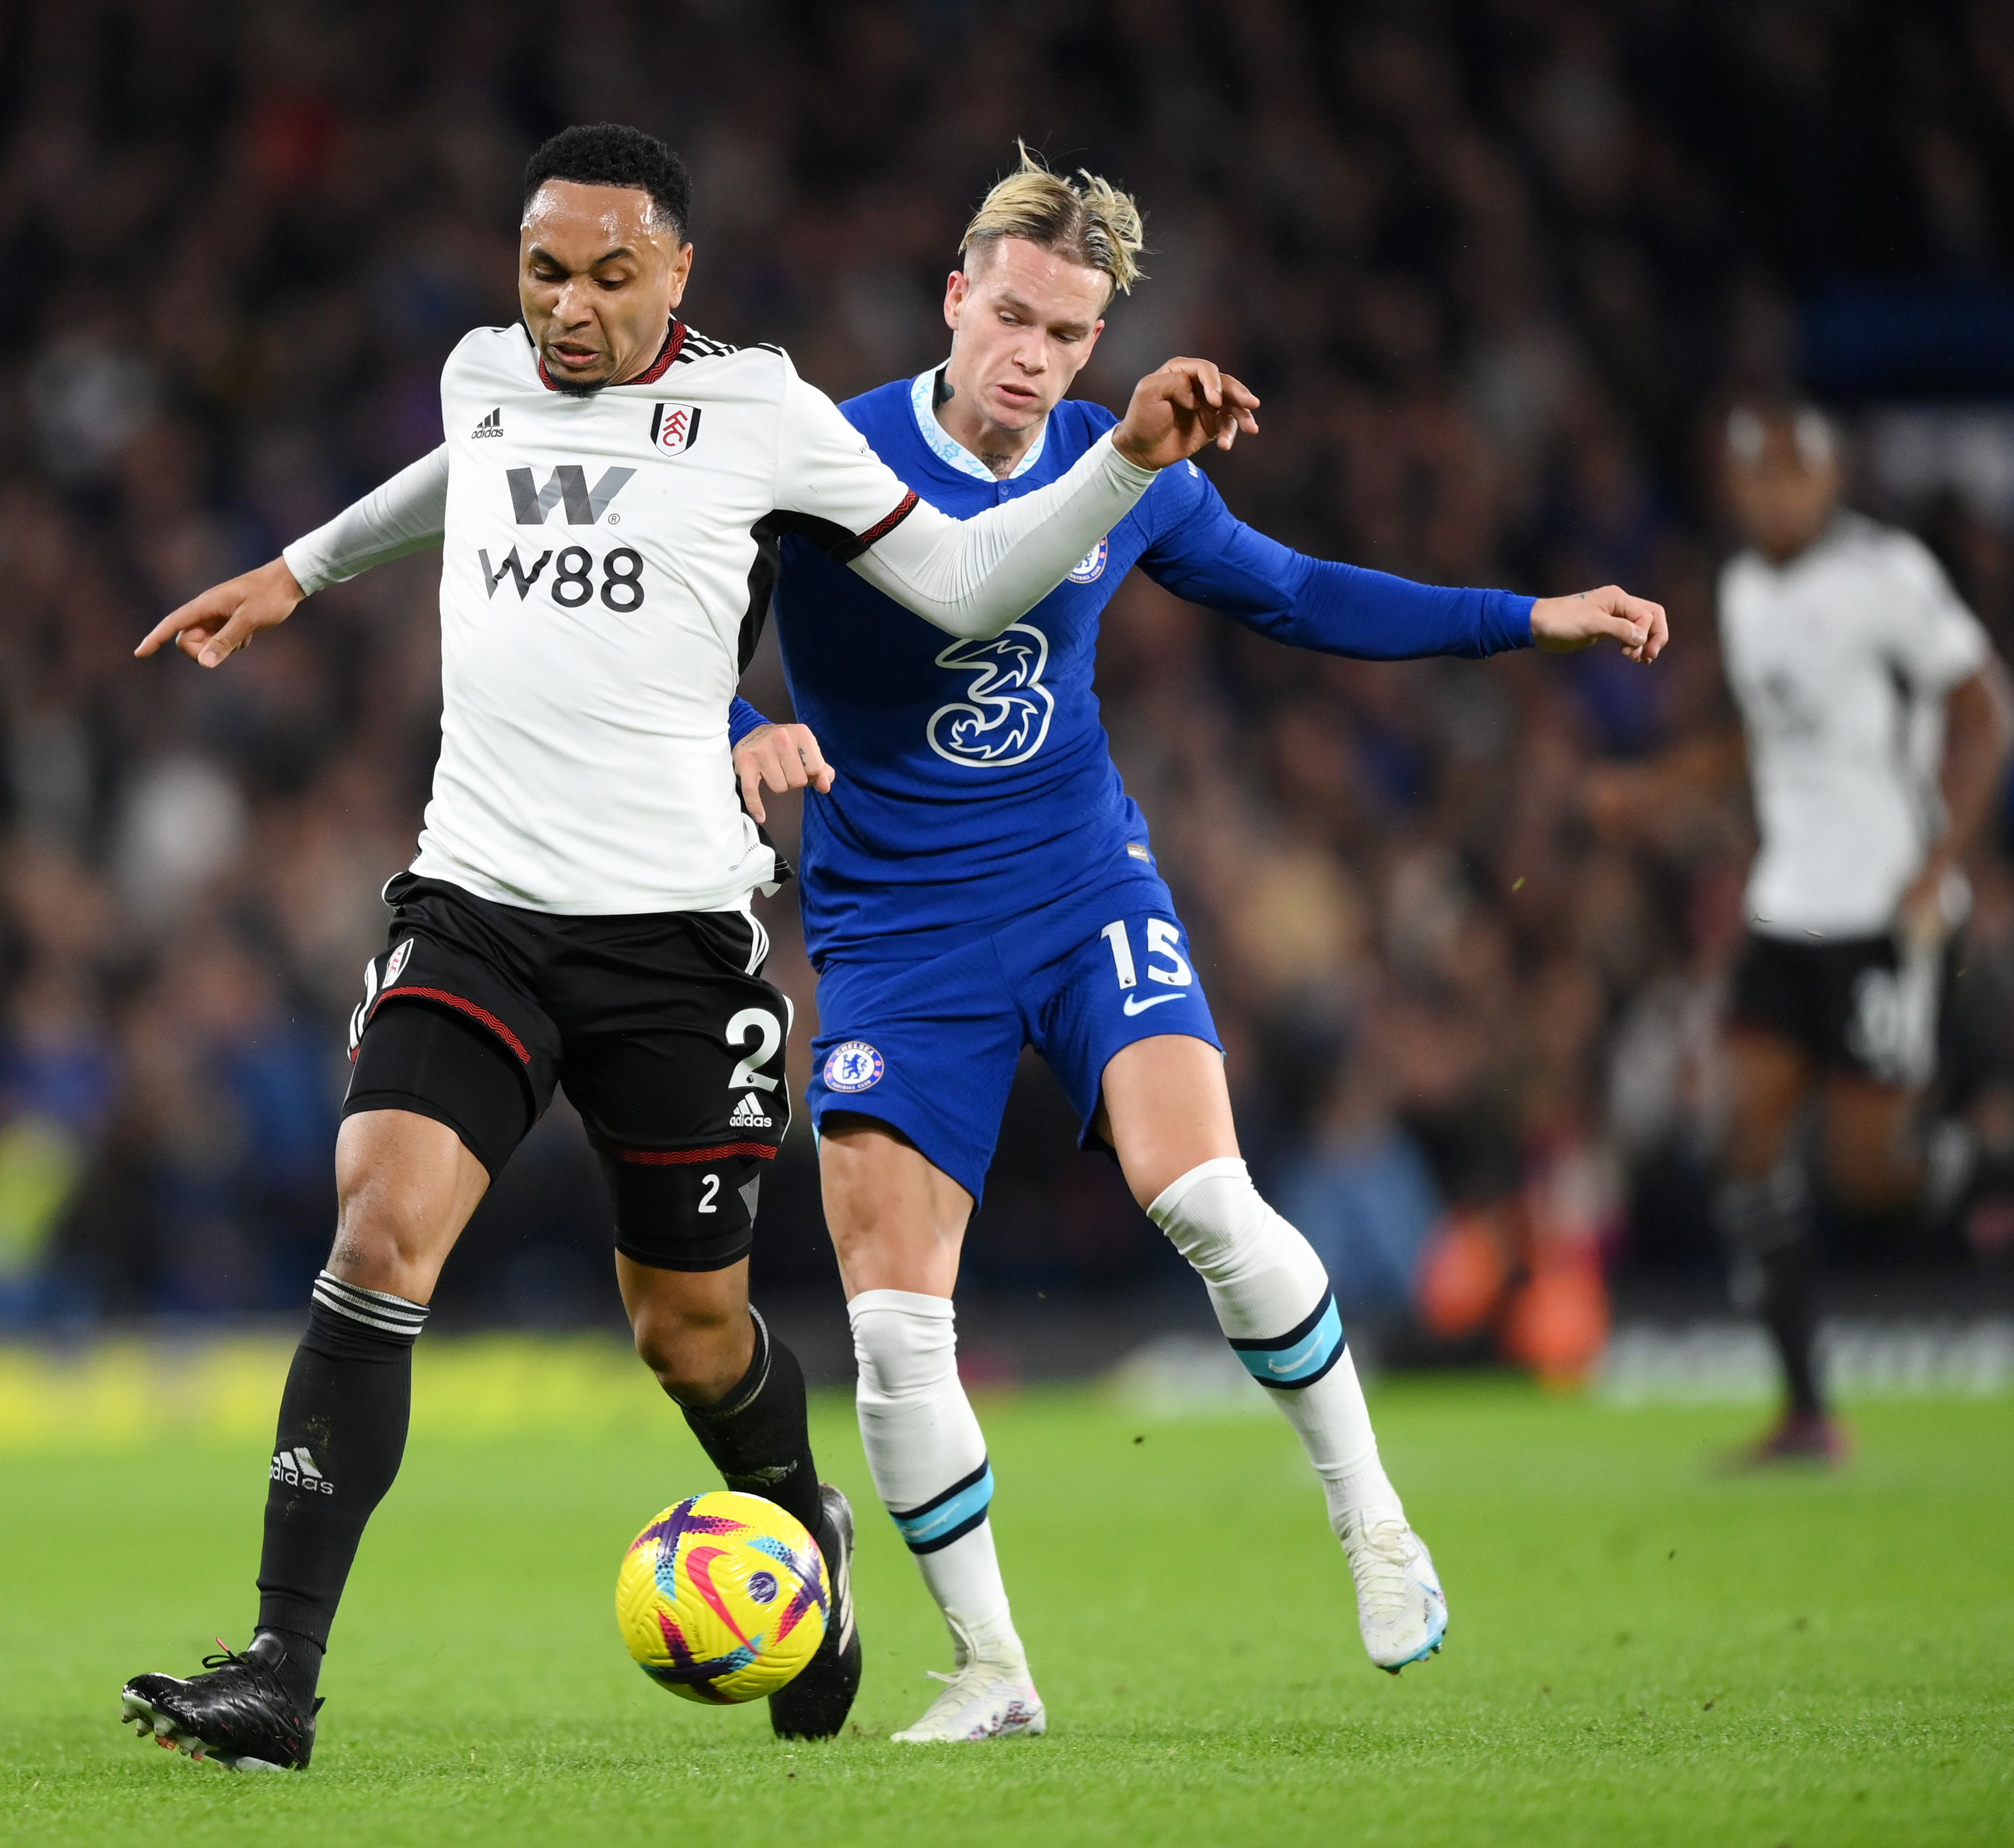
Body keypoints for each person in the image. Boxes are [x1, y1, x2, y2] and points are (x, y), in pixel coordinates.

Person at [115, 122, 1260, 1771]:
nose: (565, 308)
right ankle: (278, 1672)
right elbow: (473, 464)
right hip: (479, 906)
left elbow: (959, 582)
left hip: (674, 943)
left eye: (605, 275)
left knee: (687, 1327)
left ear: (678, 274)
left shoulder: (765, 414)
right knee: (376, 1231)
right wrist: (300, 570)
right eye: (541, 272)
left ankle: (803, 1525)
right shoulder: (482, 372)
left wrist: (1126, 458)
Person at [721, 150, 1667, 1741]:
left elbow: (1293, 593)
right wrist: (743, 725)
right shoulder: (830, 455)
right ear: (954, 297)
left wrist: (1523, 617)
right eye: (1009, 317)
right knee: (890, 1324)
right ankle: (993, 1671)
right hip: (890, 928)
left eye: (1066, 335)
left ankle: (1373, 1519)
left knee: (1209, 1202)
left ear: (1094, 344)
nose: (1030, 358)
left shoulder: (1120, 465)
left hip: (1079, 884)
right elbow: (686, 640)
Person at [1592, 405, 2011, 1464]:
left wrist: (1938, 863)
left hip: (1880, 909)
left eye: (1796, 476)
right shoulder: (1744, 591)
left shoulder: (1888, 575)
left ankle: (1993, 1164)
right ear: (1737, 490)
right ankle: (1806, 1411)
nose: (1777, 495)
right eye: (1758, 478)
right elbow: (1766, 736)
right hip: (1785, 907)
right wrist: (1657, 786)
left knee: (1871, 1173)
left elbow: (1983, 711)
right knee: (1742, 1141)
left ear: (1830, 482)